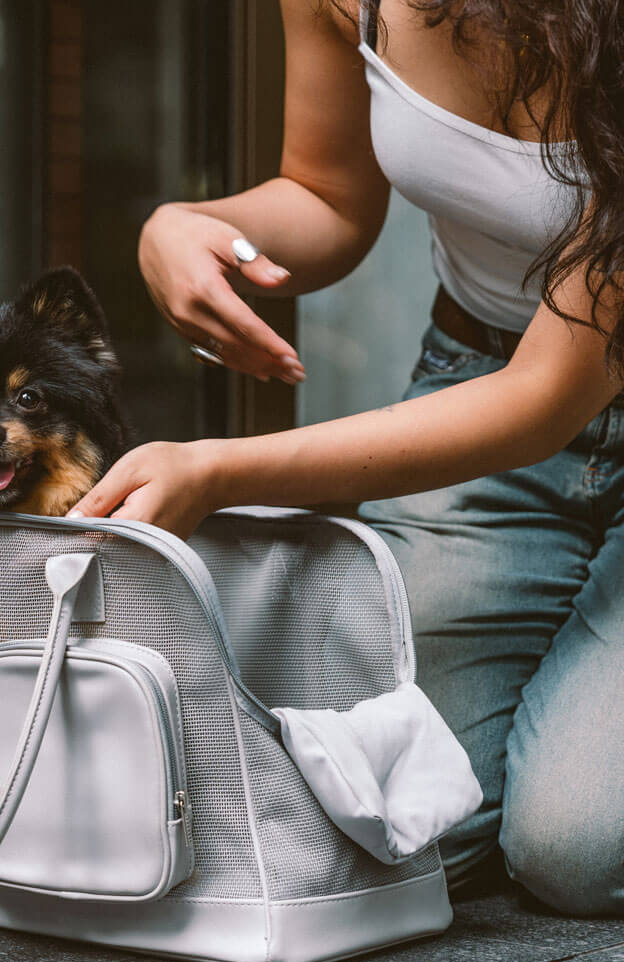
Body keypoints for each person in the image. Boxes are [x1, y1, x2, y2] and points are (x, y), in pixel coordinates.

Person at [67, 0, 624, 916]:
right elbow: (325, 198)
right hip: (474, 376)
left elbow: (544, 397)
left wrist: (220, 470)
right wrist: (186, 228)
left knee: (573, 849)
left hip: (529, 397)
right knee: (406, 824)